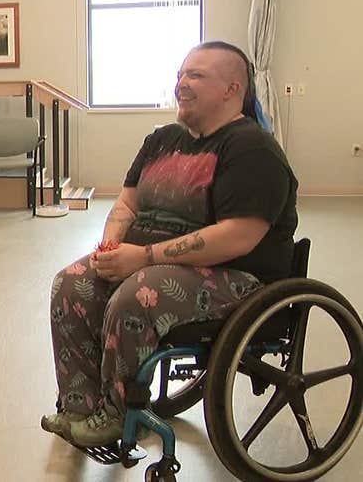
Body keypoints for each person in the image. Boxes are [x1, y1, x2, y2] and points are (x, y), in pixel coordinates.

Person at [41, 41, 298, 447]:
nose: (181, 83)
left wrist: (143, 258)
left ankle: (118, 415)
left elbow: (238, 235)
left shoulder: (253, 149)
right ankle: (80, 405)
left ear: (232, 89)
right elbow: (128, 203)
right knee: (72, 283)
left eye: (196, 75)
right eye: (180, 74)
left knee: (137, 296)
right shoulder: (162, 140)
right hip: (148, 262)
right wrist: (110, 249)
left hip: (235, 275)